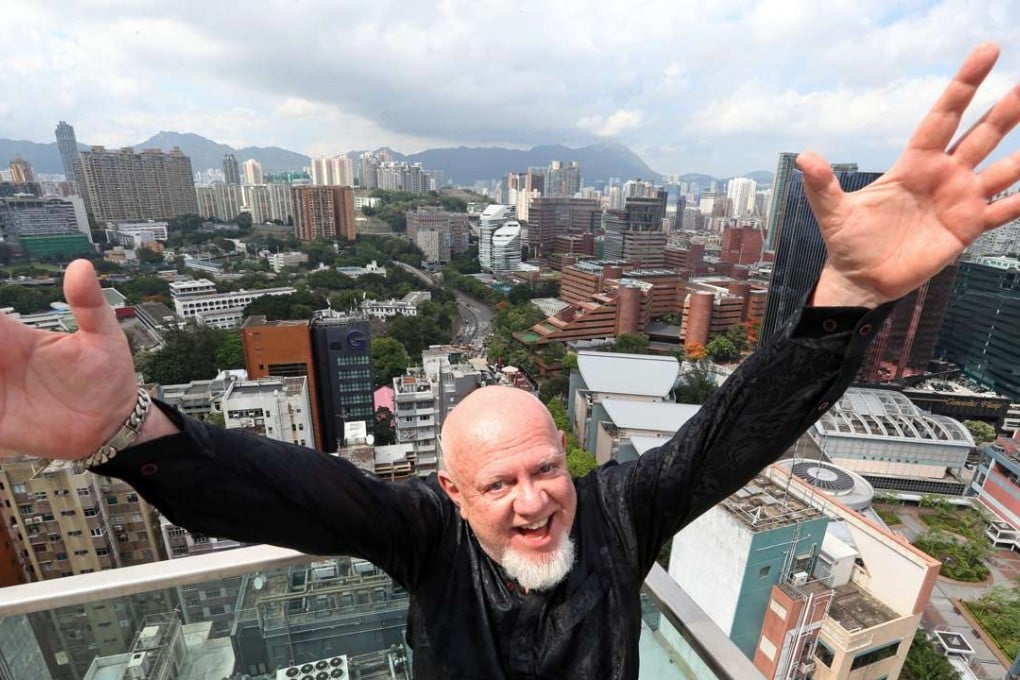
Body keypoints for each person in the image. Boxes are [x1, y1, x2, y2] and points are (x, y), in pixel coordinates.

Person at [1, 44, 1019, 679]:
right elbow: (284, 492)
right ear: (452, 489)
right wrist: (125, 430)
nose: (536, 496)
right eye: (501, 481)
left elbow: (735, 427)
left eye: (544, 467)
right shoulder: (428, 540)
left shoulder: (618, 512)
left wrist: (844, 298)